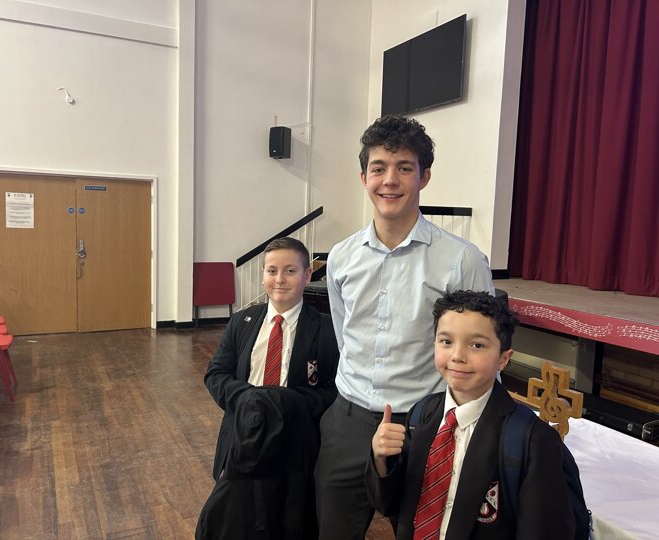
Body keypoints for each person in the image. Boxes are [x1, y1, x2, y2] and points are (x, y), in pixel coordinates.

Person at [314, 115, 495, 539]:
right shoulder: (341, 257)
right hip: (348, 421)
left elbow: (481, 348)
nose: (390, 180)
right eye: (378, 168)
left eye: (404, 168)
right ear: (364, 177)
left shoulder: (461, 260)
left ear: (424, 177)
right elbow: (344, 335)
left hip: (424, 424)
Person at [367, 291, 575, 539]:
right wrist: (381, 460)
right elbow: (390, 503)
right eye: (446, 341)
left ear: (504, 359)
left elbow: (543, 531)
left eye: (477, 345)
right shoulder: (421, 414)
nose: (457, 356)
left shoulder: (532, 440)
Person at [205, 236, 339, 482]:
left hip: (297, 440)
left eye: (290, 271)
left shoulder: (327, 329)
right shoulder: (241, 322)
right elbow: (216, 374)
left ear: (307, 275)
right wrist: (250, 400)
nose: (279, 279)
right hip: (243, 434)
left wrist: (285, 404)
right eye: (272, 271)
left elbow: (334, 389)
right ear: (263, 275)